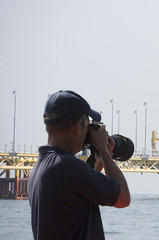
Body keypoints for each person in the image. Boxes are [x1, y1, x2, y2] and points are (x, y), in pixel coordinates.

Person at [28, 90, 130, 240]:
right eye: (88, 125)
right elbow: (123, 198)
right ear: (77, 127)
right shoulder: (70, 167)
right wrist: (103, 149)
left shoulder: (40, 167)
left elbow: (81, 191)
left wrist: (100, 162)